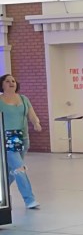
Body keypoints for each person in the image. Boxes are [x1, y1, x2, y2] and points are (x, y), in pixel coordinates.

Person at [1, 74, 42, 209]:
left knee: (12, 171)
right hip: (8, 137)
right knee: (19, 168)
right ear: (2, 84)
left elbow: (32, 114)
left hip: (23, 138)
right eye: (7, 81)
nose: (11, 83)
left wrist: (36, 123)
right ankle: (29, 199)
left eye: (13, 81)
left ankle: (1, 192)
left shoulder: (24, 99)